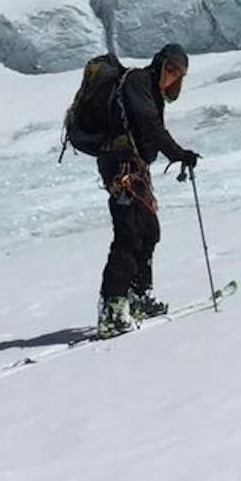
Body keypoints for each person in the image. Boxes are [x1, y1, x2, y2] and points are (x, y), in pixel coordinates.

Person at [96, 43, 200, 337]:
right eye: (170, 69)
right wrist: (178, 153)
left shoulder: (153, 93)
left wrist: (176, 153)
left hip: (135, 166)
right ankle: (113, 308)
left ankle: (138, 295)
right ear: (160, 64)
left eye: (178, 74)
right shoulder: (139, 81)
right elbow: (149, 125)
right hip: (121, 166)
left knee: (149, 231)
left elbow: (149, 130)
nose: (171, 77)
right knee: (129, 233)